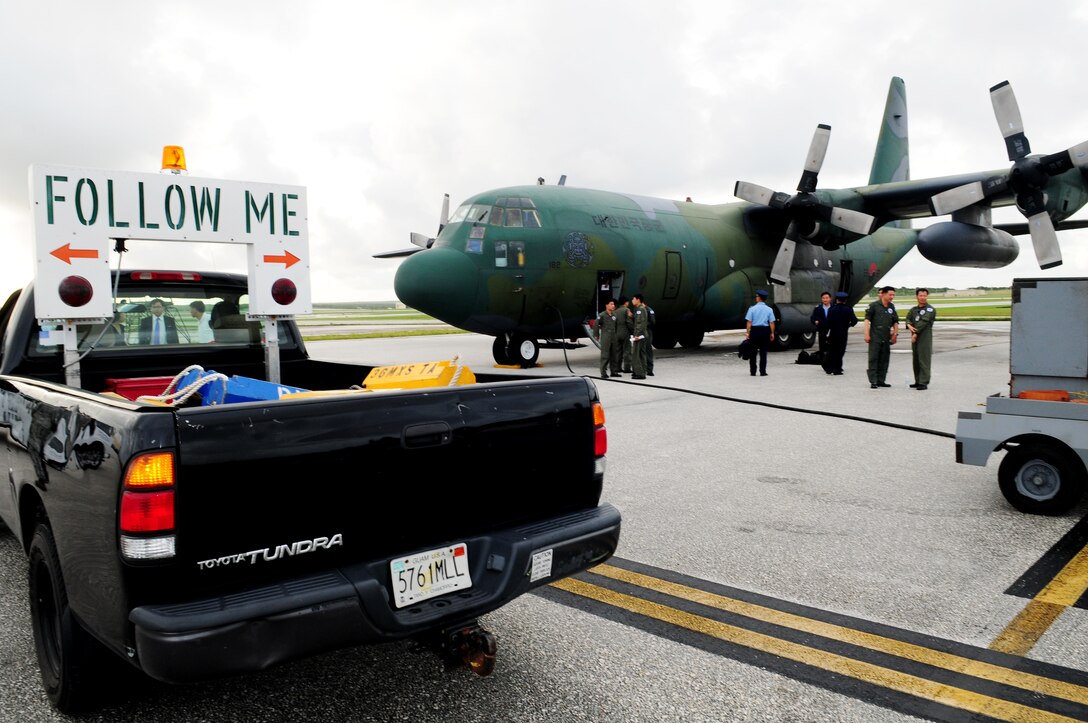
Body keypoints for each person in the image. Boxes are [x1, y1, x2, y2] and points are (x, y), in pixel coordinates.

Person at [864, 286, 898, 388]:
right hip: (875, 336)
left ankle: (881, 380)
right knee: (874, 358)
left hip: (886, 337)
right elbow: (867, 320)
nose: (892, 297)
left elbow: (895, 321)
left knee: (884, 359)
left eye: (893, 295)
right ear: (883, 294)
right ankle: (873, 381)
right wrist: (866, 334)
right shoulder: (874, 306)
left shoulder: (891, 307)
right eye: (890, 294)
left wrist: (895, 334)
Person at [905, 287, 936, 390]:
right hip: (915, 339)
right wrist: (909, 325)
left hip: (924, 338)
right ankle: (917, 381)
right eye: (921, 295)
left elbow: (923, 323)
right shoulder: (914, 310)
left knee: (924, 360)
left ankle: (924, 382)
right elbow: (908, 318)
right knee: (916, 360)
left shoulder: (930, 309)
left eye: (925, 295)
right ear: (917, 296)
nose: (923, 298)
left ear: (927, 296)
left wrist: (915, 333)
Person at [822, 291, 858, 375]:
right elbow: (854, 321)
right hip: (843, 333)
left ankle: (829, 368)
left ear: (837, 300)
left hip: (833, 333)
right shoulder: (848, 309)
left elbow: (828, 322)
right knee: (840, 351)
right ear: (845, 300)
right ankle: (837, 369)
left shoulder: (832, 309)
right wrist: (848, 325)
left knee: (832, 350)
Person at [744, 289, 776, 376]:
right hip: (765, 331)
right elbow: (771, 322)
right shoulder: (769, 310)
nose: (756, 298)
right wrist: (772, 333)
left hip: (754, 331)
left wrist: (748, 332)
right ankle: (763, 371)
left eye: (757, 296)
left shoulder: (752, 309)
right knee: (763, 352)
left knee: (753, 352)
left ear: (759, 298)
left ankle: (753, 371)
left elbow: (749, 322)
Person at [594, 299, 621, 378]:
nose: (613, 306)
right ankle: (603, 372)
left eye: (614, 304)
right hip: (606, 337)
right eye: (611, 304)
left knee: (614, 355)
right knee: (605, 355)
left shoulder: (614, 315)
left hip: (614, 337)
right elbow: (596, 324)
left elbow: (616, 325)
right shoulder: (602, 315)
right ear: (607, 305)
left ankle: (614, 372)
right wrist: (596, 334)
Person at [629, 293, 649, 379]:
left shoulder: (640, 309)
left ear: (638, 300)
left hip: (639, 335)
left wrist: (636, 335)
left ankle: (639, 374)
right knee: (642, 354)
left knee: (636, 355)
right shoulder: (641, 309)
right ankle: (643, 371)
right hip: (643, 334)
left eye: (633, 299)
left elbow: (640, 324)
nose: (632, 301)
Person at [810, 291, 832, 361]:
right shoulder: (818, 308)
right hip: (822, 329)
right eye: (823, 298)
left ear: (830, 299)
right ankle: (823, 360)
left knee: (831, 346)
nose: (825, 299)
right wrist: (815, 321)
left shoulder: (834, 307)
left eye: (826, 298)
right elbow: (813, 317)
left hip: (831, 330)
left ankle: (831, 360)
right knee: (822, 346)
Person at [616, 296, 634, 373]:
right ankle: (627, 368)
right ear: (626, 302)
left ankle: (617, 367)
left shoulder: (616, 311)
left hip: (617, 334)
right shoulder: (627, 310)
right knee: (627, 351)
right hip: (625, 333)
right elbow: (629, 322)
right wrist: (633, 331)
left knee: (618, 352)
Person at [643, 298, 656, 376]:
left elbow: (653, 321)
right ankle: (644, 368)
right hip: (643, 331)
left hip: (647, 331)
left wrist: (644, 324)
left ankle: (649, 370)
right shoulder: (642, 310)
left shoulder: (648, 310)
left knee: (648, 350)